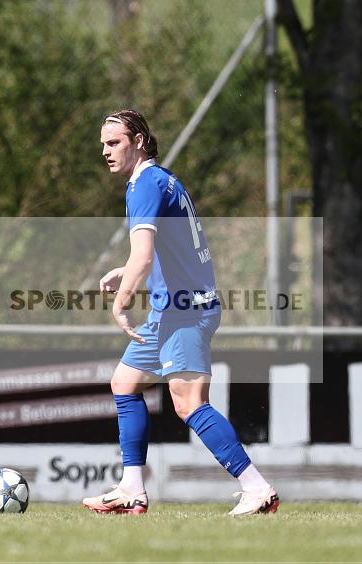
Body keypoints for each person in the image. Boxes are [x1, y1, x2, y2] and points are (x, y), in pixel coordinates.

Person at [81, 110, 279, 516]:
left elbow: (144, 254)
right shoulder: (160, 179)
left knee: (188, 403)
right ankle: (132, 488)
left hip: (185, 311)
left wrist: (121, 302)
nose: (105, 151)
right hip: (170, 309)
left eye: (114, 142)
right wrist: (128, 270)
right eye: (103, 144)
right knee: (125, 384)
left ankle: (257, 488)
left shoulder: (145, 184)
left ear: (138, 141)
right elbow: (165, 249)